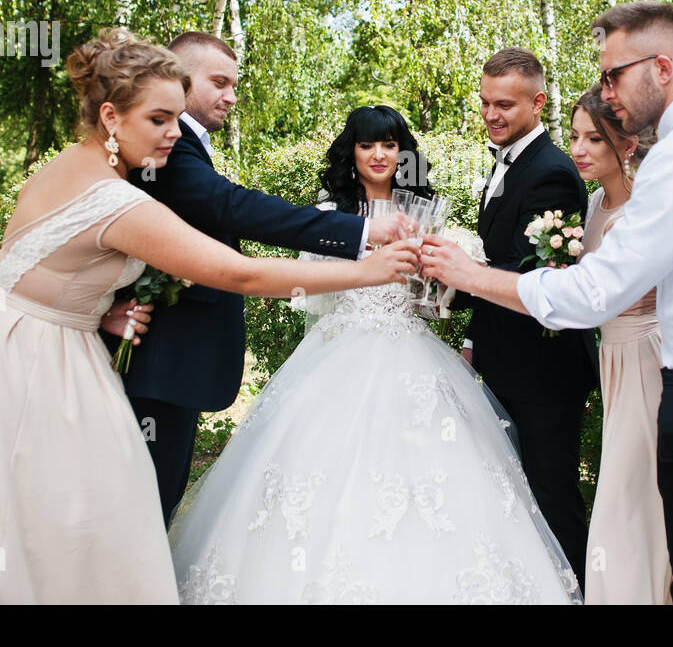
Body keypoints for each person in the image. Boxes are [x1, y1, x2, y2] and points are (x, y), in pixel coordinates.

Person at [0, 29, 419, 604]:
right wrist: (370, 269)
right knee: (62, 537)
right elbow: (239, 273)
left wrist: (98, 310)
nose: (175, 135)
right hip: (13, 375)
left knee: (32, 541)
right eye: (159, 120)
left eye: (177, 119)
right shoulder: (119, 199)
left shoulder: (70, 164)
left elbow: (42, 264)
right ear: (111, 116)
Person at [421, 1, 673, 605]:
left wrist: (470, 274)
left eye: (615, 74)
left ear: (662, 66)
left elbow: (595, 291)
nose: (606, 91)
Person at [167, 106, 582, 604]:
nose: (379, 155)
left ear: (403, 153)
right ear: (353, 153)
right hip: (341, 352)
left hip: (415, 353)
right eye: (367, 145)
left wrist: (436, 285)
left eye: (389, 144)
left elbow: (442, 305)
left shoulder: (430, 213)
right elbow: (311, 297)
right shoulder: (326, 217)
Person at [99, 31, 415, 528]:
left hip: (170, 354)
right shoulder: (168, 151)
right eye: (219, 83)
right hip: (163, 357)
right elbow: (231, 210)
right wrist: (362, 234)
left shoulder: (172, 147)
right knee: (144, 510)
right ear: (181, 81)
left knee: (151, 505)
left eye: (234, 84)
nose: (231, 96)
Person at [456, 48, 599, 587]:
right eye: (486, 103)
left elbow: (528, 273)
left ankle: (581, 590)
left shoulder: (554, 173)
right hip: (503, 356)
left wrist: (451, 278)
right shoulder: (506, 161)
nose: (492, 115)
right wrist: (472, 332)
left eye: (505, 105)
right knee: (514, 490)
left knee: (550, 491)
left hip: (545, 368)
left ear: (538, 103)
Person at [568, 84, 670, 605]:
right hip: (611, 356)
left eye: (594, 139)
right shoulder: (591, 205)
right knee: (624, 480)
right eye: (575, 137)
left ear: (625, 145)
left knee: (630, 489)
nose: (579, 150)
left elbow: (639, 291)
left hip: (644, 355)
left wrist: (572, 290)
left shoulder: (643, 210)